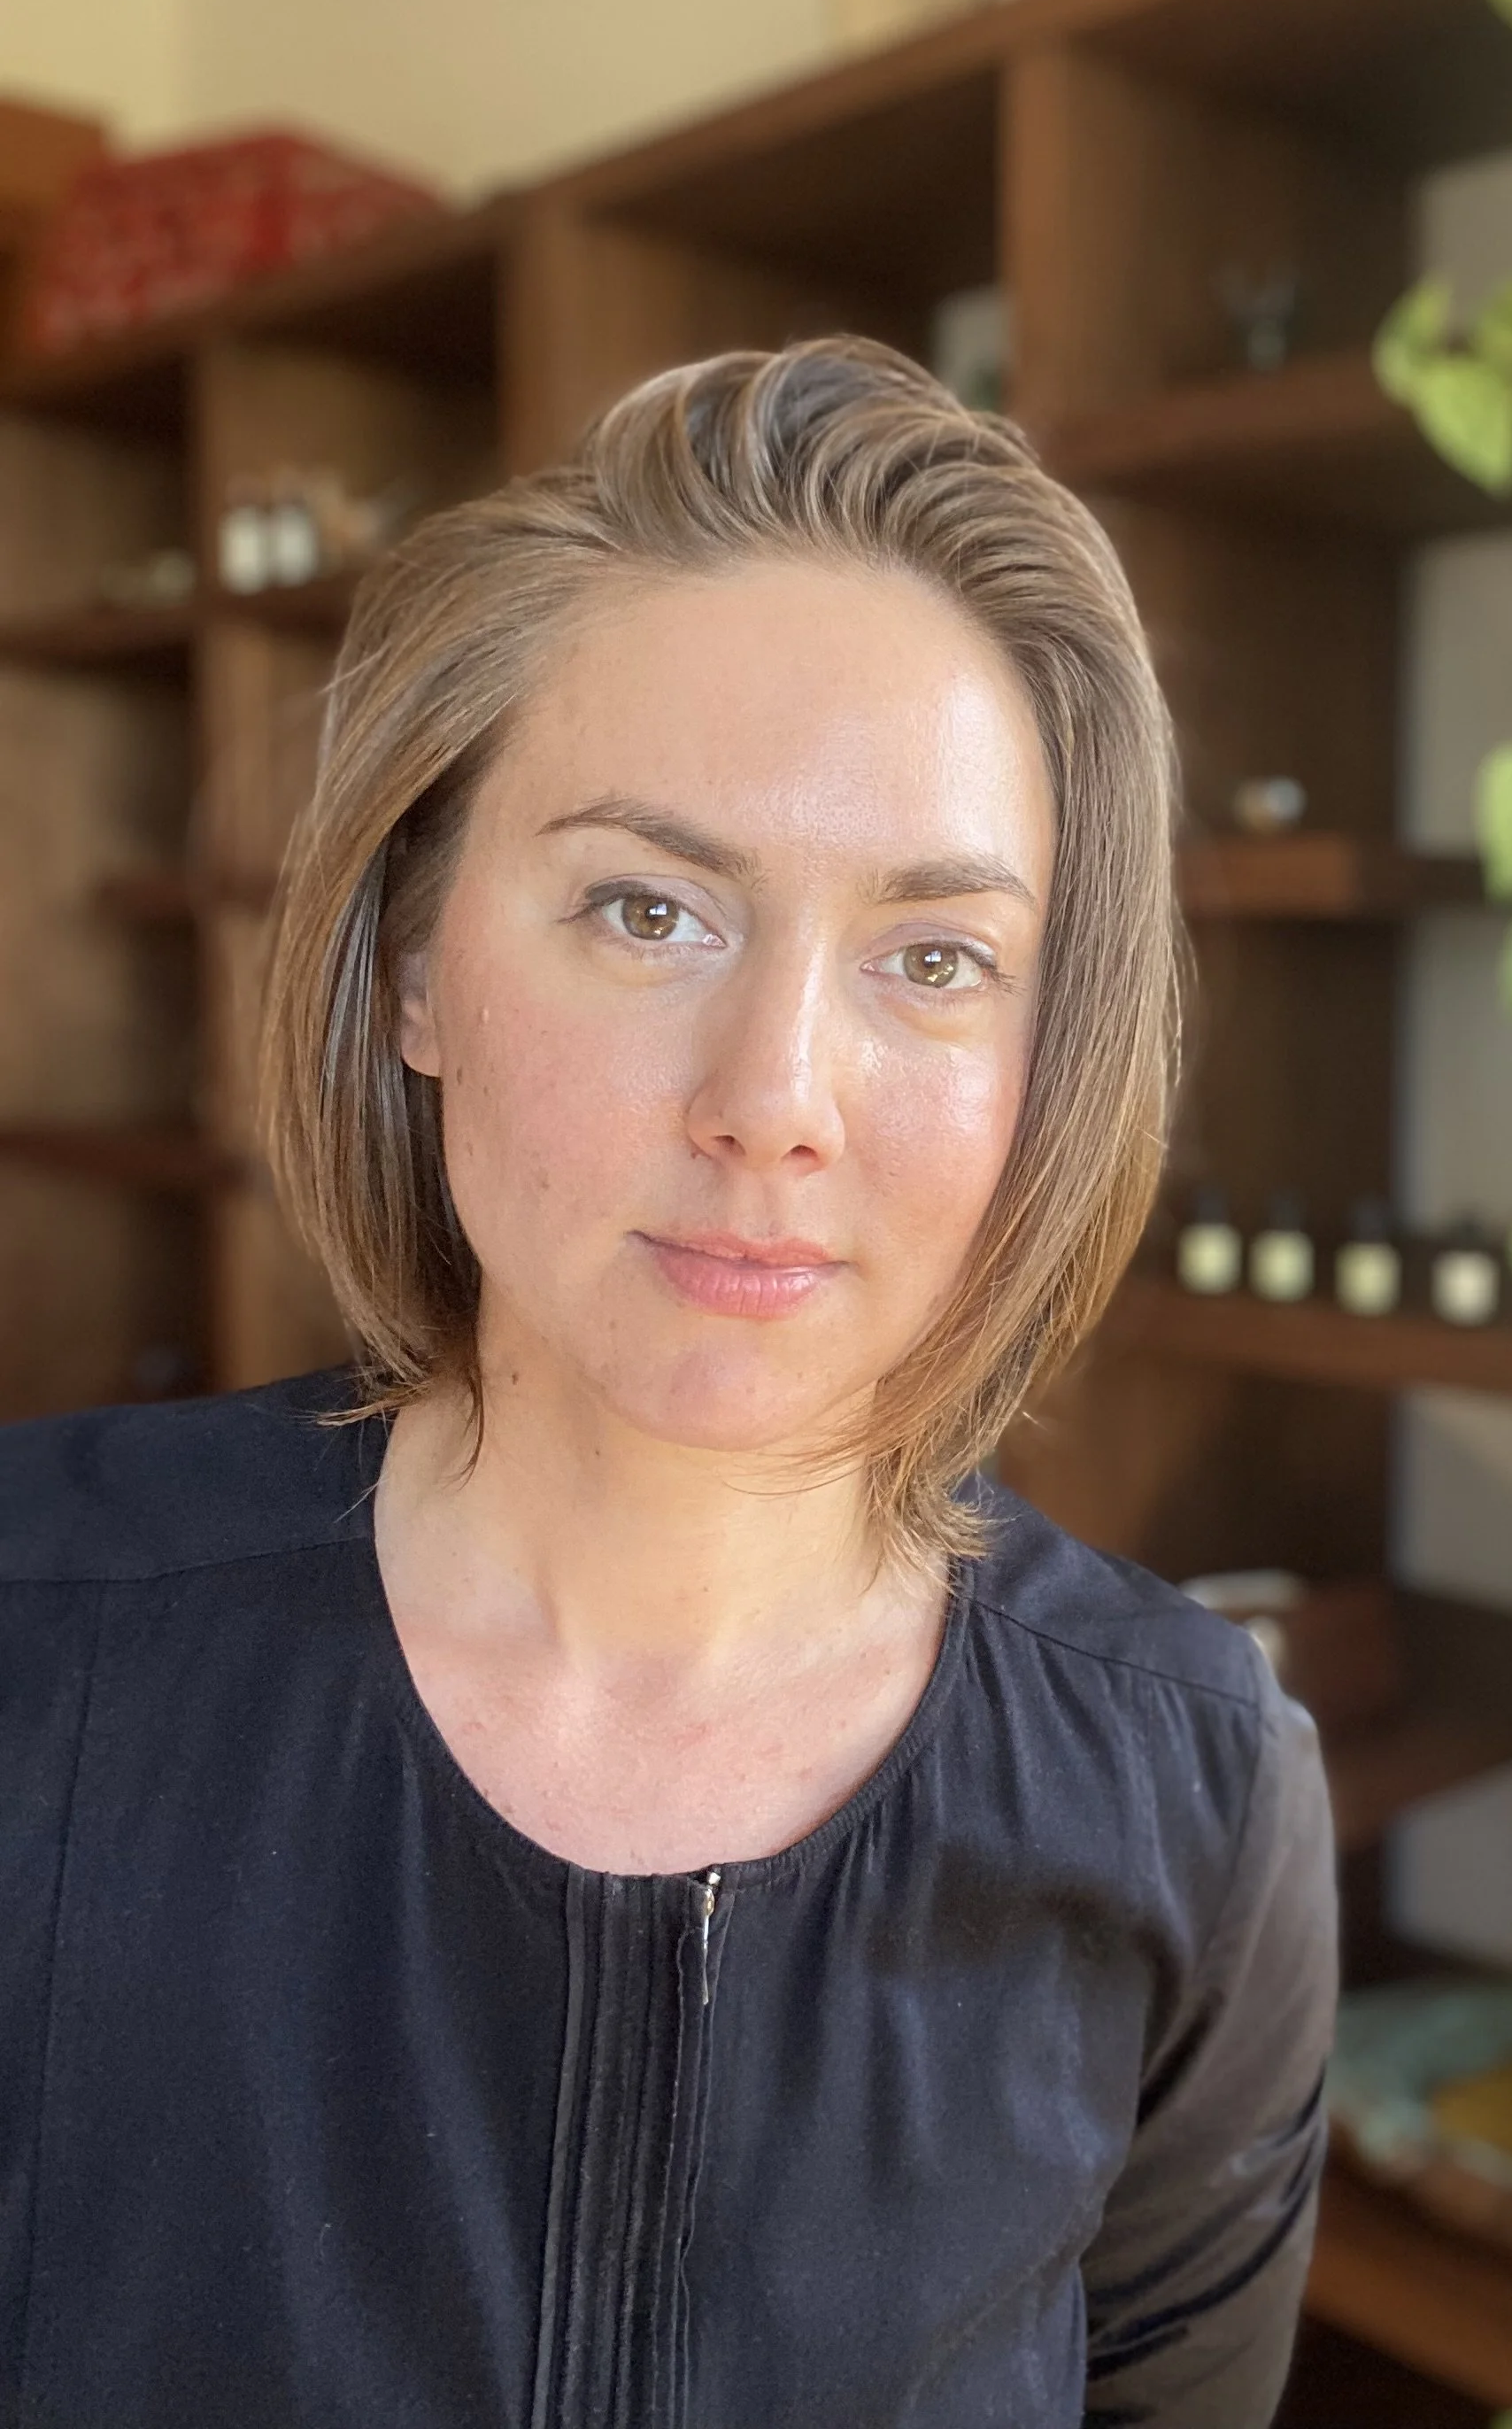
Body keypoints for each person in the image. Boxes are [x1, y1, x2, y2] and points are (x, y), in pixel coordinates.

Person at [0, 338, 1338, 2428]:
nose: (777, 1102)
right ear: (416, 961)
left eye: (933, 956)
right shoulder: (34, 1643)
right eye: (649, 906)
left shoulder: (1194, 1791)